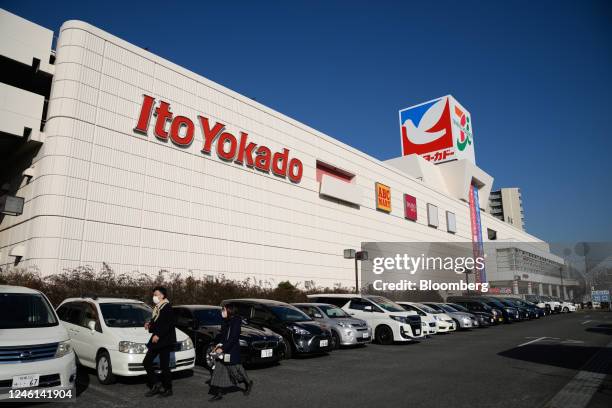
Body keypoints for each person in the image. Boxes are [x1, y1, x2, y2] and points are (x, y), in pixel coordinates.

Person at [208, 304, 253, 401]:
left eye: (223, 310)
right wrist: (218, 345)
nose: (222, 312)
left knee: (235, 371)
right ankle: (218, 393)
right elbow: (223, 336)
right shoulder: (225, 321)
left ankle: (248, 382)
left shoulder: (236, 322)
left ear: (229, 311)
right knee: (219, 369)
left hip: (231, 351)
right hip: (224, 349)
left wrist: (223, 348)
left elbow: (233, 338)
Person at [143, 286, 176, 397]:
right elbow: (156, 322)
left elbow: (169, 324)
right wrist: (149, 325)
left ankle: (168, 389)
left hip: (164, 340)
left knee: (164, 366)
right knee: (147, 361)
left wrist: (158, 334)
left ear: (162, 295)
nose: (154, 297)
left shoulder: (167, 307)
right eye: (154, 295)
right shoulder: (157, 308)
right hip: (157, 340)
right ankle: (156, 384)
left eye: (156, 294)